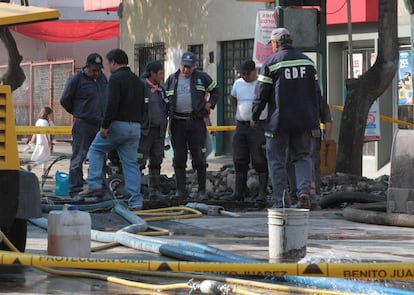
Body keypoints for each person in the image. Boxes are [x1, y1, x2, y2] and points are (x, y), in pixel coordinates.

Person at [251, 28, 320, 209]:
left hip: (278, 122)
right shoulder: (308, 62)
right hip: (305, 120)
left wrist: (255, 116)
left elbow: (261, 94)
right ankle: (304, 193)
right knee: (303, 156)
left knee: (276, 160)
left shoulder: (271, 63)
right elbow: (316, 93)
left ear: (275, 44)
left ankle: (282, 201)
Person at [78, 48, 146, 210]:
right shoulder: (138, 80)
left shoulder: (115, 79)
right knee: (131, 163)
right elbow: (143, 105)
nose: (108, 67)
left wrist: (105, 126)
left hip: (117, 125)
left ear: (114, 62)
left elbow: (111, 104)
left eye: (108, 63)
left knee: (95, 149)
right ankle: (136, 201)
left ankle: (94, 183)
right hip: (135, 126)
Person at [165, 51, 219, 201]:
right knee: (179, 157)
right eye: (184, 66)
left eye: (189, 67)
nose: (186, 70)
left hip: (195, 122)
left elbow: (216, 91)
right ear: (180, 65)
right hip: (177, 123)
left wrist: (210, 104)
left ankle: (201, 190)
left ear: (194, 67)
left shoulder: (202, 78)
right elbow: (165, 99)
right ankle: (180, 191)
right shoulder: (171, 80)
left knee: (199, 156)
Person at [60, 53, 108, 199]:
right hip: (83, 124)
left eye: (99, 70)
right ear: (86, 67)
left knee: (100, 156)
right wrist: (79, 112)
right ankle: (75, 189)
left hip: (99, 125)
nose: (96, 73)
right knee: (78, 157)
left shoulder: (102, 79)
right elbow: (64, 100)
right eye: (94, 70)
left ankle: (98, 188)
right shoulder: (76, 79)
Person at [230, 60, 268, 207]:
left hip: (258, 126)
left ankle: (262, 193)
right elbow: (232, 98)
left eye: (247, 73)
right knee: (239, 158)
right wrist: (236, 112)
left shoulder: (261, 84)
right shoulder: (238, 84)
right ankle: (239, 191)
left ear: (254, 71)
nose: (245, 76)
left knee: (259, 158)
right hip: (241, 125)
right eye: (243, 74)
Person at [138, 60, 169, 199]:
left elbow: (167, 107)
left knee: (156, 161)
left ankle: (154, 190)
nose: (162, 76)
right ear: (152, 73)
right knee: (139, 161)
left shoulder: (161, 90)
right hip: (144, 132)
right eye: (160, 73)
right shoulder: (141, 88)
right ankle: (136, 191)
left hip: (159, 132)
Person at [26, 106, 54, 175]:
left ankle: (44, 173)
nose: (51, 116)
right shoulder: (45, 122)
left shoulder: (38, 121)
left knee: (45, 157)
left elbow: (35, 133)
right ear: (47, 114)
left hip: (39, 142)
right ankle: (32, 166)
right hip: (44, 142)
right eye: (51, 114)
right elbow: (45, 132)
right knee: (45, 158)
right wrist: (48, 142)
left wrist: (31, 141)